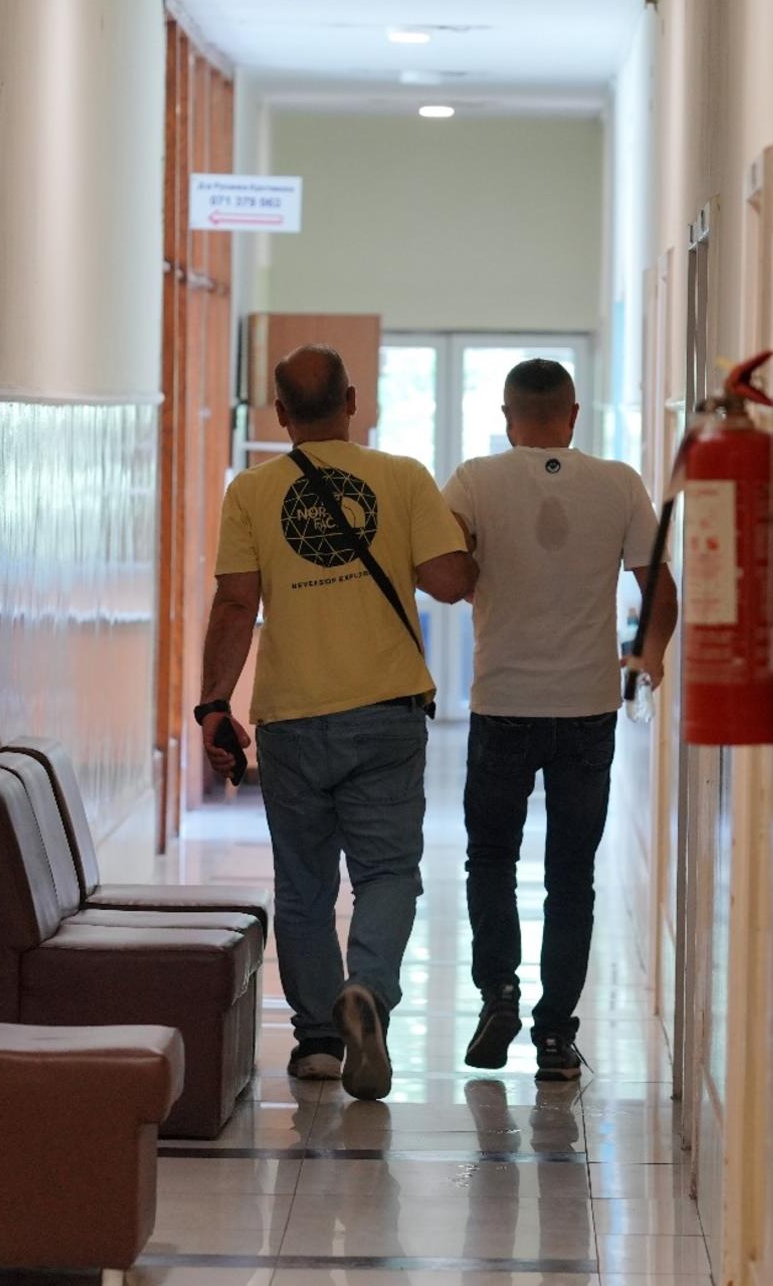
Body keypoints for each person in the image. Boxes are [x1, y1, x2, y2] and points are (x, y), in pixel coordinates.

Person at [197, 344, 477, 1100]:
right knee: (387, 873)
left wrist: (215, 704)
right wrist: (469, 542)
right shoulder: (403, 477)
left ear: (280, 413)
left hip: (292, 718)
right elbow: (451, 582)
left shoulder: (252, 491)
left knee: (303, 886)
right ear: (353, 402)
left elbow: (235, 603)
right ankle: (369, 991)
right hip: (384, 713)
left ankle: (320, 1040)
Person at [441, 358, 678, 1080]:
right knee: (572, 875)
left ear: (506, 416)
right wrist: (649, 657)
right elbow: (660, 589)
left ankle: (499, 994)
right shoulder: (619, 482)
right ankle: (554, 1038)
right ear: (573, 415)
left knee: (490, 859)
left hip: (502, 703)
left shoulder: (474, 480)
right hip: (586, 707)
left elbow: (446, 573)